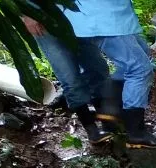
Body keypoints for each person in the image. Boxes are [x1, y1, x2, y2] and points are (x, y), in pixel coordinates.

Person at [34, 0, 156, 147]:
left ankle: (108, 116)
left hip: (85, 15)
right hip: (84, 16)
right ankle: (117, 130)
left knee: (98, 69)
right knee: (71, 79)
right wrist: (27, 13)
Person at [21, 16, 118, 145]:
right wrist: (27, 16)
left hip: (74, 14)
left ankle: (107, 120)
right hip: (40, 17)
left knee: (97, 68)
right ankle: (91, 129)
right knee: (69, 78)